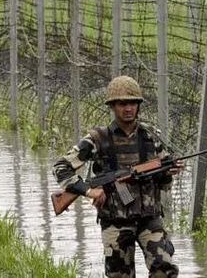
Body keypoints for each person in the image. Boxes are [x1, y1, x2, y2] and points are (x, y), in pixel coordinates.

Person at [52, 76, 181, 278]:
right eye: (122, 104)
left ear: (138, 106)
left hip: (150, 218)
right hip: (115, 221)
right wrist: (88, 190)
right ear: (112, 106)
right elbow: (61, 167)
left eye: (132, 103)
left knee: (165, 269)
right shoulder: (97, 138)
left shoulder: (150, 136)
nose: (128, 108)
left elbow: (164, 183)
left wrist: (167, 173)